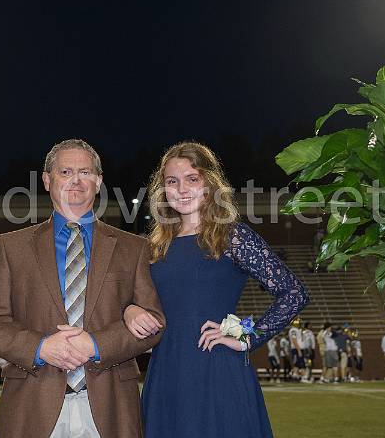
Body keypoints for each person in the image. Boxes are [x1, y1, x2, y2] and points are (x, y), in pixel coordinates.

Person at [0, 139, 166, 438]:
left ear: (98, 181)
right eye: (65, 172)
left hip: (110, 405)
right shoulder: (11, 246)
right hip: (33, 402)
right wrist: (40, 347)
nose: (76, 180)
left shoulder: (134, 248)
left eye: (85, 172)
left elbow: (154, 324)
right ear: (47, 179)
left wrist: (96, 344)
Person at [124, 141, 308, 437]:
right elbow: (134, 300)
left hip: (216, 368)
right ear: (162, 189)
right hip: (165, 373)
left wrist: (248, 335)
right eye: (172, 181)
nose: (182, 189)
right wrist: (130, 309)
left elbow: (294, 294)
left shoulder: (231, 236)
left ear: (210, 184)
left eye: (192, 179)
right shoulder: (154, 247)